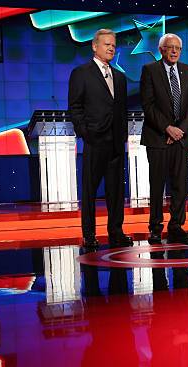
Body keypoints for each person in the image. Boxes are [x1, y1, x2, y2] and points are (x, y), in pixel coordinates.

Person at [68, 28, 133, 248]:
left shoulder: (120, 77)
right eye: (107, 44)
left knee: (116, 191)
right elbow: (75, 107)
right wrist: (86, 133)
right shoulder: (81, 73)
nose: (111, 48)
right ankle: (89, 234)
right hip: (95, 140)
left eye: (113, 45)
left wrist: (122, 136)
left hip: (115, 142)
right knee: (90, 190)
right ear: (95, 46)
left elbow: (122, 110)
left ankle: (116, 231)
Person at [140, 33, 188, 245]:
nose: (174, 51)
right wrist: (167, 128)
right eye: (170, 47)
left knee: (180, 185)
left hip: (182, 139)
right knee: (157, 185)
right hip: (158, 138)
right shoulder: (150, 70)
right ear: (161, 50)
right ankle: (155, 227)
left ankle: (176, 226)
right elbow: (148, 105)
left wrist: (179, 130)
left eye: (177, 48)